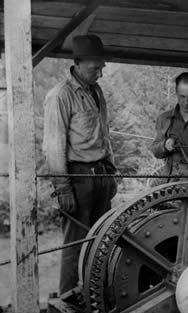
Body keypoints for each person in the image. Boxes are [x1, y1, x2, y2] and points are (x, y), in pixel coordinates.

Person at [43, 34, 117, 294]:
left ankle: (93, 298)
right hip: (78, 178)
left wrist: (111, 172)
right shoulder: (60, 96)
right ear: (78, 63)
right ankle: (65, 299)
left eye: (101, 67)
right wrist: (63, 189)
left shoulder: (95, 91)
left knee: (101, 241)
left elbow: (103, 134)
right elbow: (53, 145)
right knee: (74, 244)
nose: (100, 73)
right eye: (94, 68)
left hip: (101, 175)